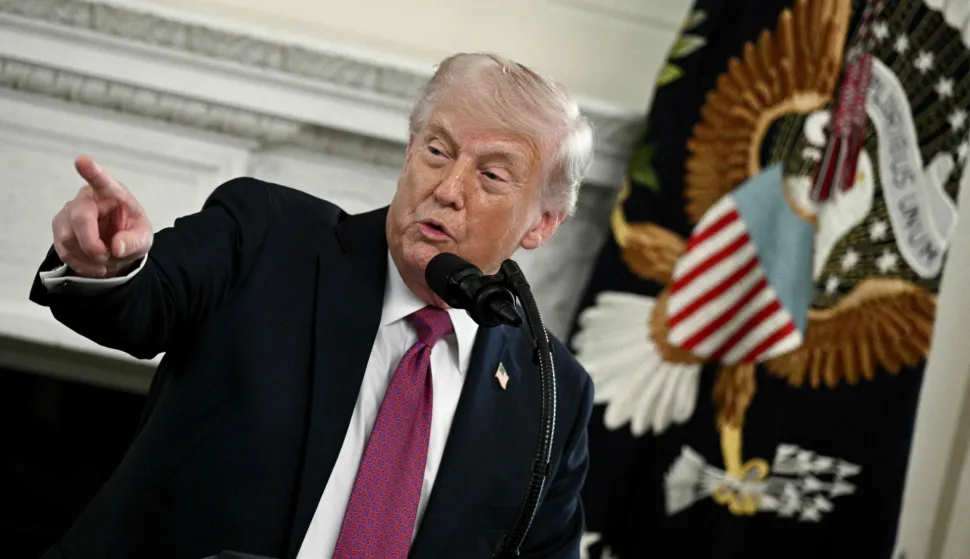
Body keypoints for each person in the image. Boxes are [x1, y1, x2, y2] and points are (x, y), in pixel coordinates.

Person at [29, 52, 595, 559]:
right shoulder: (271, 235)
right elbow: (143, 303)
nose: (448, 187)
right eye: (437, 150)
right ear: (409, 154)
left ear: (542, 223)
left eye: (491, 175)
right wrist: (105, 266)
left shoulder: (552, 395)